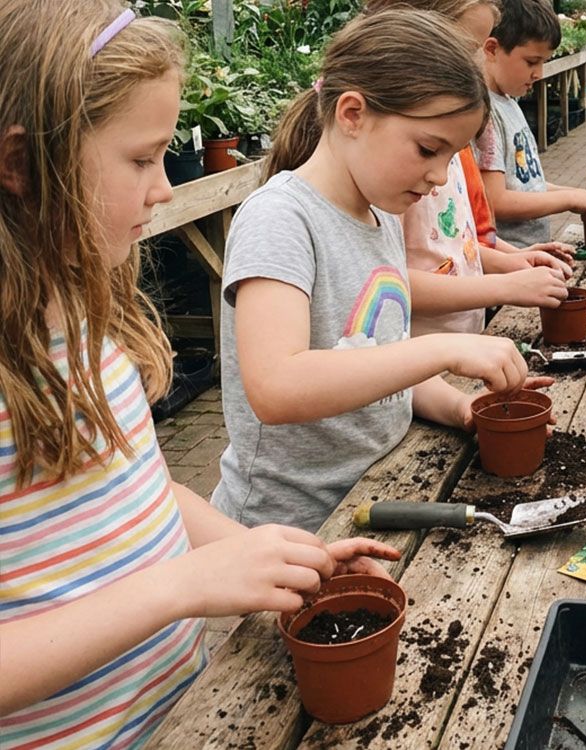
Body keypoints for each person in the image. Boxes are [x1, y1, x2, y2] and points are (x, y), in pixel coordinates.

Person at [0, 3, 398, 746]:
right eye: (141, 158)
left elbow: (140, 491)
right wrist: (178, 587)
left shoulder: (85, 327)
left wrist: (266, 552)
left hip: (180, 716)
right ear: (22, 165)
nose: (161, 189)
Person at [212, 10, 544, 534]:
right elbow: (276, 386)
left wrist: (459, 406)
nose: (438, 178)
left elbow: (378, 365)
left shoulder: (380, 214)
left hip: (375, 498)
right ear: (352, 114)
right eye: (428, 150)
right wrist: (444, 348)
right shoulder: (279, 218)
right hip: (287, 529)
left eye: (451, 156)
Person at [363, 0, 574, 336]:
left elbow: (456, 243)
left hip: (457, 351)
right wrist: (503, 287)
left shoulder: (442, 148)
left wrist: (510, 261)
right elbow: (382, 280)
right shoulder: (388, 168)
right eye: (472, 47)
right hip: (422, 357)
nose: (482, 60)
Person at [475, 0, 586, 248]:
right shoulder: (486, 114)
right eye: (531, 62)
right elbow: (495, 200)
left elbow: (526, 185)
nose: (539, 73)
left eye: (543, 62)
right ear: (492, 49)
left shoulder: (509, 102)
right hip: (509, 258)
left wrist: (573, 193)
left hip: (532, 252)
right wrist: (568, 199)